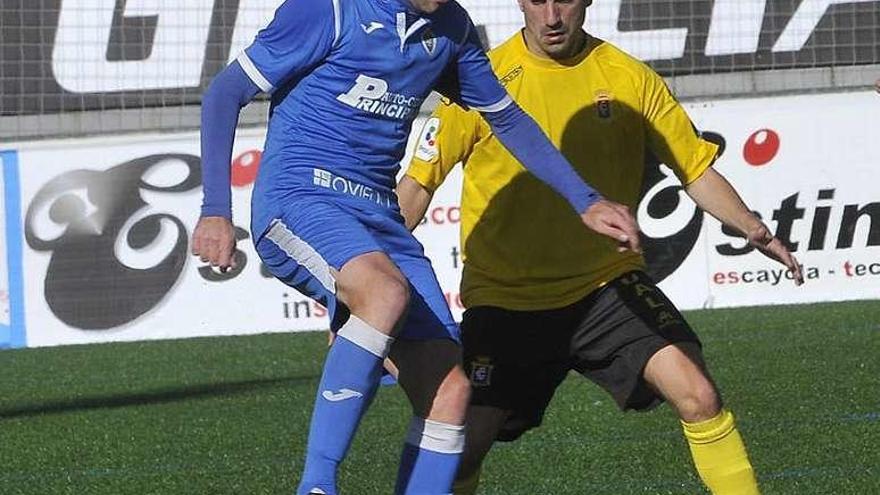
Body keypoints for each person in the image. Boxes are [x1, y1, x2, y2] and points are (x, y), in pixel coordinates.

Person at [190, 0, 641, 493]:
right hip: (300, 197)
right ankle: (316, 485)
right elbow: (225, 93)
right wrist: (216, 208)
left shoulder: (450, 28)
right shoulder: (328, 9)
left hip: (380, 217)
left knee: (450, 391)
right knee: (383, 294)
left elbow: (506, 118)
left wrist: (585, 199)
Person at [397, 0, 804, 493]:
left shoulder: (629, 79)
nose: (551, 16)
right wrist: (368, 270)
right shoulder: (483, 82)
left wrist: (752, 227)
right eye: (537, 1)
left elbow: (694, 168)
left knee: (698, 394)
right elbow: (417, 188)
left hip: (606, 289)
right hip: (506, 301)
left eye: (564, 0)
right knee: (463, 446)